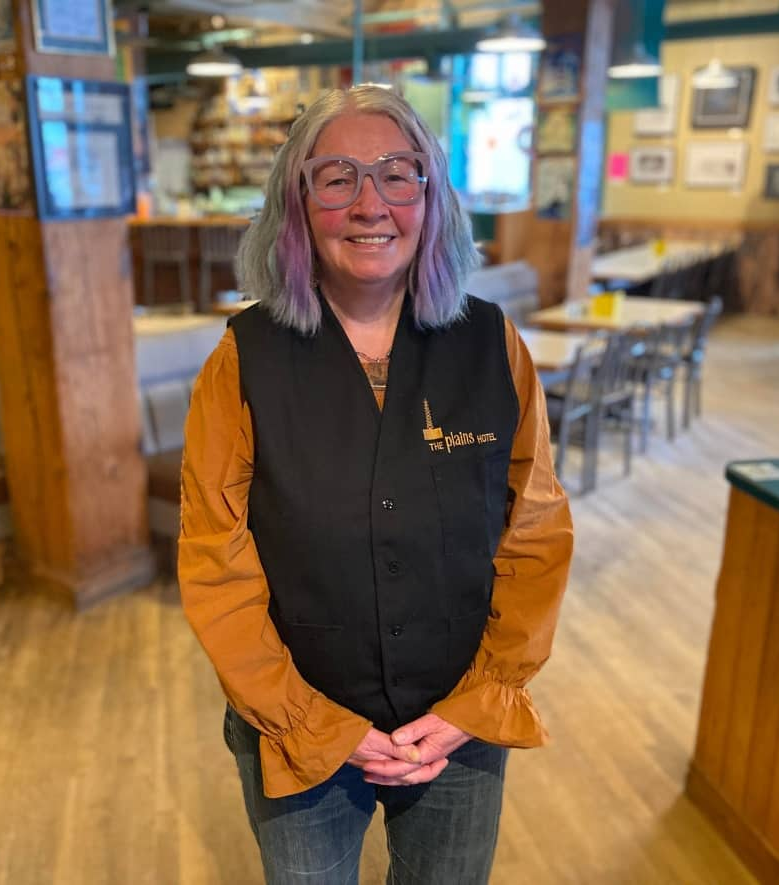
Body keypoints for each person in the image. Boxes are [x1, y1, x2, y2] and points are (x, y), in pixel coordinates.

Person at [179, 85, 574, 884]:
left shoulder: (493, 343)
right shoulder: (241, 358)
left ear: (432, 198)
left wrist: (477, 703)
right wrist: (311, 722)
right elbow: (215, 560)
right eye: (337, 177)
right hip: (299, 725)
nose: (370, 204)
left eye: (398, 174)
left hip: (455, 716)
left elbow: (534, 532)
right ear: (297, 203)